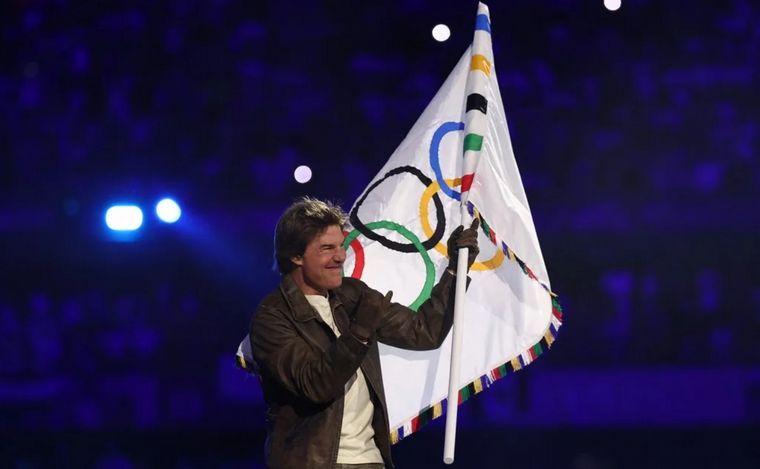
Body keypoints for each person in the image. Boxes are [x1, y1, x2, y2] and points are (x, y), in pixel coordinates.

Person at [249, 197, 479, 469]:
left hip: (370, 460)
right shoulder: (272, 316)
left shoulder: (353, 294)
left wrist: (455, 268)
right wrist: (359, 332)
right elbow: (316, 385)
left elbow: (424, 331)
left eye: (340, 246)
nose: (340, 256)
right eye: (327, 248)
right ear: (296, 256)